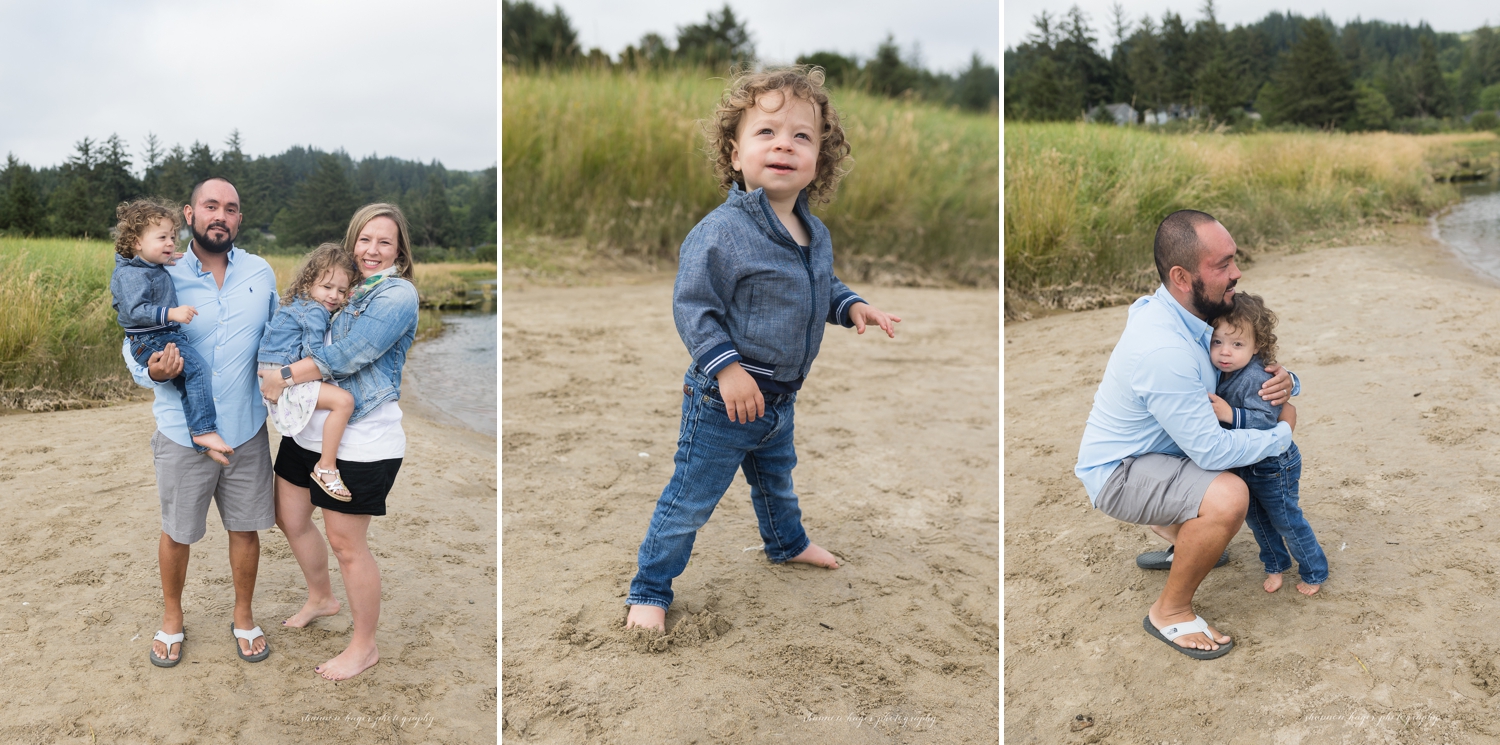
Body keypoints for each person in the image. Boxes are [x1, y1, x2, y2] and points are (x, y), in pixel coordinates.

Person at [624, 66, 902, 634]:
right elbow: (694, 307)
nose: (784, 145)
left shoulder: (813, 231)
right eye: (766, 132)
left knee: (776, 480)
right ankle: (649, 590)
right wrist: (726, 370)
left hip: (779, 398)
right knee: (691, 498)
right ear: (735, 152)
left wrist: (853, 306)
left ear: (820, 159)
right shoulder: (721, 233)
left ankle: (787, 543)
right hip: (724, 399)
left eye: (802, 136)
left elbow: (819, 285)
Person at [1074, 209, 1299, 660]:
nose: (1237, 273)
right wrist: (1282, 434)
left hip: (1161, 453)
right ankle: (1170, 612)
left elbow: (1246, 360)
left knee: (1227, 483)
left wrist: (1287, 381)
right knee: (1229, 497)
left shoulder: (1194, 313)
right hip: (1120, 472)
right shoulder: (1164, 348)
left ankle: (1190, 545)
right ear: (1181, 276)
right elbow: (1212, 451)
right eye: (1223, 265)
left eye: (1234, 259)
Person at [259, 203, 419, 681]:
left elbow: (349, 355)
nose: (372, 250)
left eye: (384, 242)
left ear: (399, 252)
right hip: (309, 426)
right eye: (365, 239)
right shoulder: (343, 286)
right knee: (289, 518)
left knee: (347, 544)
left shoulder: (397, 295)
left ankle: (364, 646)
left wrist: (283, 376)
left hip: (362, 438)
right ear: (353, 241)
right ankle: (321, 598)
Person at [123, 177, 278, 666]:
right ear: (190, 215)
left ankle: (243, 615)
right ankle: (172, 617)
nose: (221, 216)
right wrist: (152, 371)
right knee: (177, 531)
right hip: (180, 430)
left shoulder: (261, 272)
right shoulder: (161, 268)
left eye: (230, 208)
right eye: (211, 206)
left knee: (246, 529)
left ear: (239, 219)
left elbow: (277, 337)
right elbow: (134, 337)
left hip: (247, 427)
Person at [1208, 292, 1327, 596]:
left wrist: (1230, 414)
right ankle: (1275, 565)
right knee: (1258, 520)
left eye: (1237, 344)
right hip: (1244, 462)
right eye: (1217, 341)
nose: (1225, 352)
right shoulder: (1220, 372)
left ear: (1257, 345)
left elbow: (1266, 419)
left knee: (1286, 519)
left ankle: (1314, 570)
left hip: (1274, 464)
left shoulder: (1257, 376)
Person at [110, 198, 234, 465]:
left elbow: (152, 271)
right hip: (150, 338)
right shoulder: (129, 275)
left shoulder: (148, 266)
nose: (170, 243)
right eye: (162, 238)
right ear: (137, 242)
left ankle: (200, 438)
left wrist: (164, 258)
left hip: (160, 336)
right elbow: (135, 311)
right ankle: (205, 430)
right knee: (198, 369)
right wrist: (172, 313)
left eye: (172, 237)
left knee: (188, 382)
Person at [257, 243, 359, 501]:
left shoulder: (299, 302)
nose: (334, 296)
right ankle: (326, 467)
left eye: (342, 291)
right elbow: (315, 355)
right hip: (280, 373)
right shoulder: (315, 311)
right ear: (309, 282)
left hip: (271, 368)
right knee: (344, 402)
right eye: (327, 287)